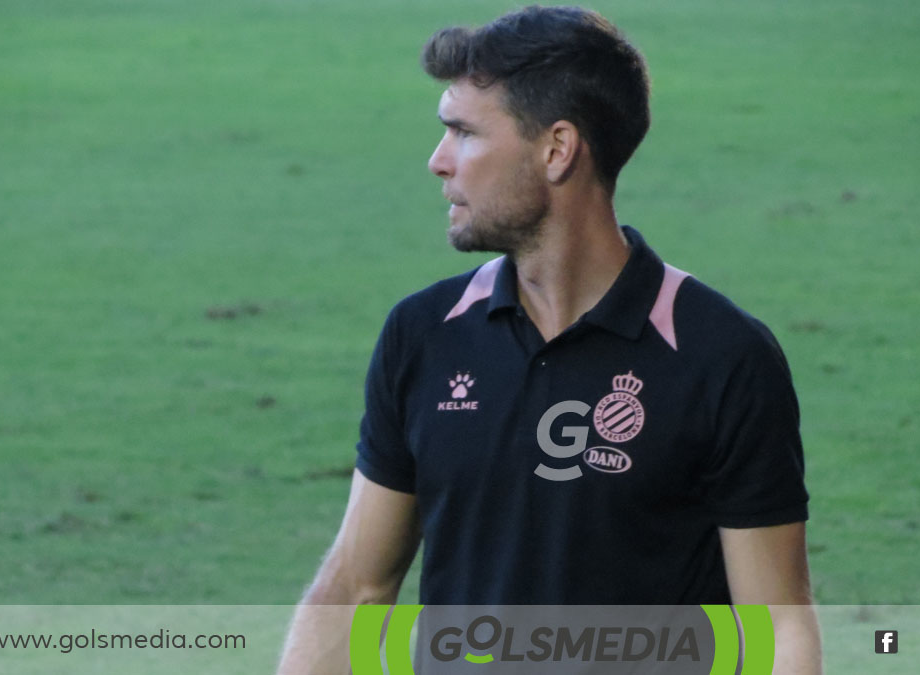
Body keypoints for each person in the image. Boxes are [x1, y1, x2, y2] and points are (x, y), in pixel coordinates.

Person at [276, 6, 821, 674]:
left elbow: (779, 628)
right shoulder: (422, 335)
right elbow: (356, 587)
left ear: (557, 149)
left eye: (464, 133)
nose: (437, 162)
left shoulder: (721, 357)